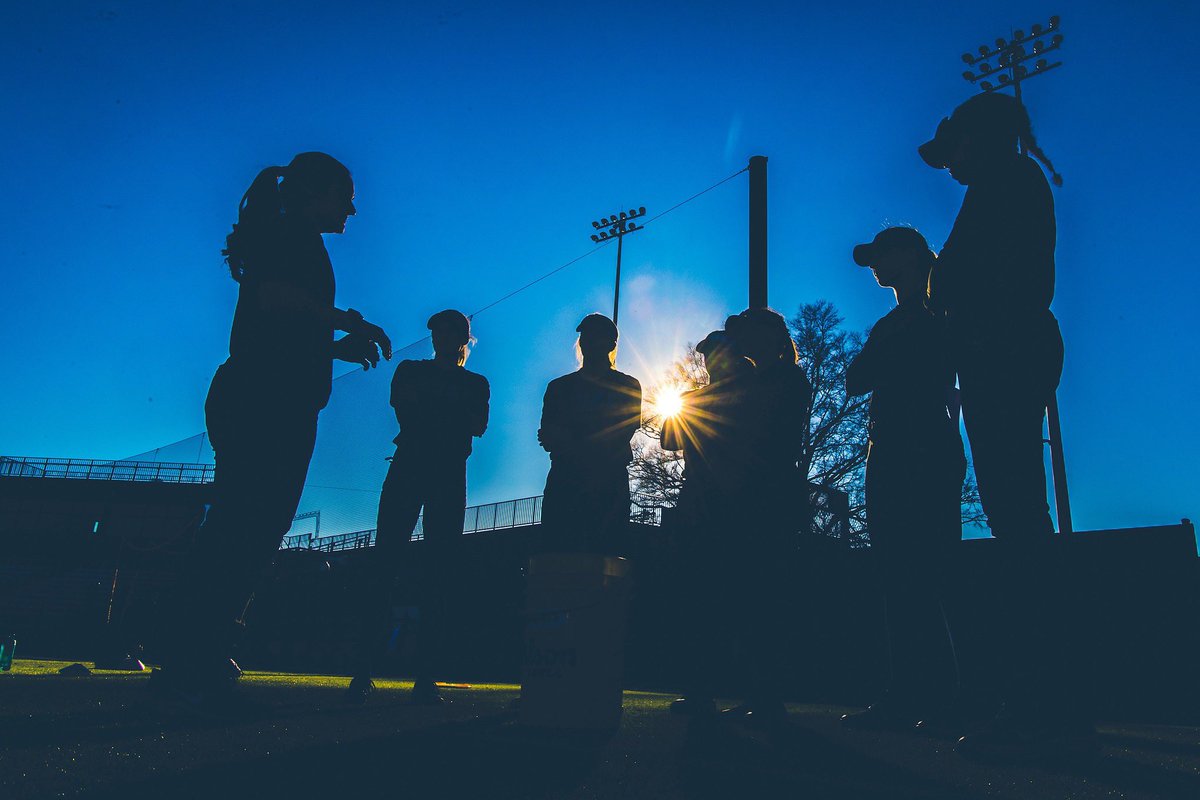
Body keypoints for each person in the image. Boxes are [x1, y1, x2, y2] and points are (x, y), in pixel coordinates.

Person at [154, 152, 392, 706]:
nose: (351, 209)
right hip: (266, 402)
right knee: (246, 527)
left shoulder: (291, 237)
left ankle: (197, 650)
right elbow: (275, 299)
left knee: (245, 526)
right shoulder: (294, 236)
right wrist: (347, 322)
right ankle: (192, 654)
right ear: (316, 192)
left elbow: (279, 324)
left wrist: (333, 346)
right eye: (343, 194)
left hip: (261, 396)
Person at [919, 93, 1090, 756]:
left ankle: (1046, 708)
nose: (950, 168)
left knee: (1021, 526)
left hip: (1006, 354)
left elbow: (988, 284)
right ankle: (1046, 704)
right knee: (1019, 522)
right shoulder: (1000, 183)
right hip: (1000, 355)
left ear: (977, 139)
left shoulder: (1006, 182)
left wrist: (955, 309)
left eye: (953, 151)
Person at [839, 227, 965, 731]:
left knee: (933, 572)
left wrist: (891, 357)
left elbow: (920, 363)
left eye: (882, 256)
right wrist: (892, 356)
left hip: (925, 446)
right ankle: (909, 692)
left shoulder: (940, 308)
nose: (874, 266)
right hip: (887, 449)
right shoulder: (891, 321)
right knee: (897, 575)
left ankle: (954, 695)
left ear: (910, 255)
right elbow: (855, 378)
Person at [348, 310, 490, 705]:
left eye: (449, 332)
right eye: (437, 332)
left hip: (442, 474)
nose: (441, 337)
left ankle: (424, 676)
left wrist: (435, 411)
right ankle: (363, 671)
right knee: (385, 564)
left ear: (461, 339)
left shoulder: (474, 382)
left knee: (438, 570)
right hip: (413, 469)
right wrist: (447, 414)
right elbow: (413, 411)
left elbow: (473, 423)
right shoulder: (413, 371)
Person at [721, 308, 812, 728]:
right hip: (752, 495)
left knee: (766, 593)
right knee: (747, 594)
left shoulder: (786, 379)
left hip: (769, 495)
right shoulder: (761, 380)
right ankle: (759, 691)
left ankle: (769, 693)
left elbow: (763, 433)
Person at [660, 330, 755, 717]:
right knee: (700, 598)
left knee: (739, 598)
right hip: (701, 501)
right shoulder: (697, 397)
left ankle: (751, 691)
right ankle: (702, 690)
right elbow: (668, 440)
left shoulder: (751, 392)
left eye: (717, 354)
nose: (710, 362)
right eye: (708, 356)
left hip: (737, 502)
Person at [538, 314, 642, 554]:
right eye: (585, 336)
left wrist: (570, 436)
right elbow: (549, 435)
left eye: (595, 336)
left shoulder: (628, 385)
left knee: (607, 554)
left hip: (607, 480)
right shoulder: (558, 387)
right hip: (566, 479)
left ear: (610, 344)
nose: (588, 341)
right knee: (558, 552)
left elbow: (621, 430)